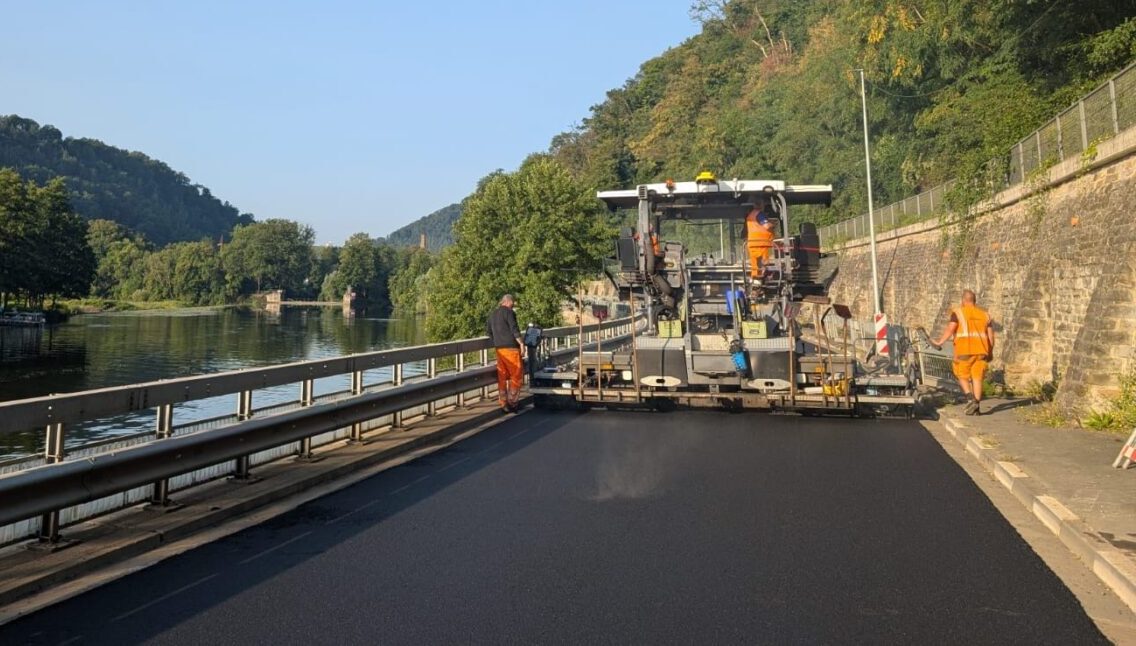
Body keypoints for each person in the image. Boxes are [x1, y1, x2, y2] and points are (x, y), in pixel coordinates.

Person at [932, 289, 995, 415]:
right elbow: (991, 337)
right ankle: (977, 408)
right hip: (981, 352)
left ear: (963, 300)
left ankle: (970, 398)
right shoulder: (985, 315)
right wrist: (990, 352)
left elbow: (951, 329)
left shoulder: (958, 313)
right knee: (977, 378)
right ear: (974, 301)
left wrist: (939, 342)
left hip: (964, 350)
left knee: (961, 375)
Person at [486, 294, 526, 413]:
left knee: (502, 377)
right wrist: (522, 344)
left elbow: (488, 332)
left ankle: (503, 403)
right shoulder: (509, 313)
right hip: (511, 349)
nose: (513, 305)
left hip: (499, 350)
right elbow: (514, 329)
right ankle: (513, 402)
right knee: (516, 375)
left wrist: (497, 342)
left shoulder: (492, 315)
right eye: (512, 303)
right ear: (508, 302)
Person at [745, 204, 776, 280]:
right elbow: (767, 226)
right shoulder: (759, 214)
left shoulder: (750, 216)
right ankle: (762, 282)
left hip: (752, 244)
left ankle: (756, 284)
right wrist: (773, 224)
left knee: (755, 268)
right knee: (764, 266)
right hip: (762, 244)